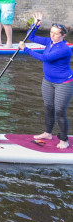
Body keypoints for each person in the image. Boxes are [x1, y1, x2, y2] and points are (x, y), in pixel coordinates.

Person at [24, 13, 73, 149]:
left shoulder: (64, 49)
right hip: (48, 81)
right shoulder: (48, 42)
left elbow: (46, 58)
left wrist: (26, 50)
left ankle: (64, 140)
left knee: (60, 111)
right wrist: (35, 25)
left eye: (56, 34)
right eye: (51, 32)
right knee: (48, 107)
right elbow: (31, 37)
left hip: (64, 83)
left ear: (63, 36)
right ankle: (48, 133)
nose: (53, 35)